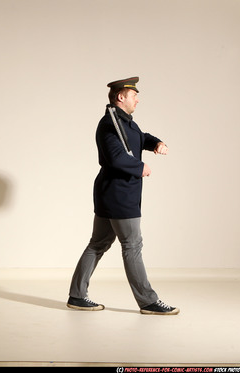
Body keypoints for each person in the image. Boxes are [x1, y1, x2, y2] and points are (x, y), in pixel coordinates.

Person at [67, 77, 179, 315]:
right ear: (121, 97)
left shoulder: (126, 122)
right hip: (119, 194)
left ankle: (76, 296)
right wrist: (140, 167)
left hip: (115, 193)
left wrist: (156, 143)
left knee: (98, 244)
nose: (137, 99)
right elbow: (116, 157)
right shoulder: (110, 124)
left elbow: (139, 137)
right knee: (132, 245)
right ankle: (148, 301)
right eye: (133, 95)